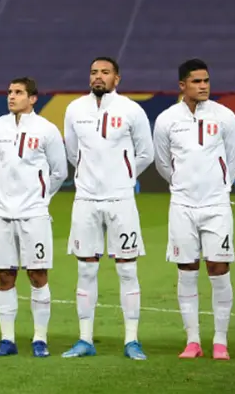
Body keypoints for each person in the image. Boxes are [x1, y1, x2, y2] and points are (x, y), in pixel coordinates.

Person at [61, 57, 154, 360]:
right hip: (86, 200)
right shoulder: (75, 109)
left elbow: (146, 153)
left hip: (120, 199)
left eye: (105, 72)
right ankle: (84, 339)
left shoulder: (131, 110)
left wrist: (122, 178)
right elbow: (73, 152)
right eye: (93, 72)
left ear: (117, 78)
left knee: (127, 269)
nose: (98, 77)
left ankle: (132, 340)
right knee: (85, 269)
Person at [152, 59, 235, 360]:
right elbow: (163, 163)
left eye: (206, 81)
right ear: (182, 85)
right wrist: (182, 184)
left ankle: (220, 341)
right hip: (182, 205)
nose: (203, 86)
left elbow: (233, 157)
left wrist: (220, 186)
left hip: (216, 204)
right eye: (196, 81)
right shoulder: (166, 119)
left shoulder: (225, 116)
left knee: (219, 268)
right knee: (187, 269)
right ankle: (193, 341)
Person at [0, 77, 67, 358]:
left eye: (18, 92)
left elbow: (59, 171)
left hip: (34, 214)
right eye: (9, 92)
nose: (11, 96)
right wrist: (0, 193)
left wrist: (40, 198)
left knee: (38, 274)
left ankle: (40, 339)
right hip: (1, 213)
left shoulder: (47, 130)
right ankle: (7, 340)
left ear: (33, 98)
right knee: (4, 275)